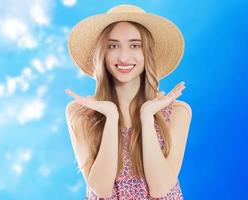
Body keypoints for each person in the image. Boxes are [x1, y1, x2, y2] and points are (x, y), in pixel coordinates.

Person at [65, 4, 192, 200]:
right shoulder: (81, 112)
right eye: (113, 45)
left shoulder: (177, 112)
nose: (124, 57)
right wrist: (111, 116)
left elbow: (160, 188)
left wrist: (147, 117)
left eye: (135, 45)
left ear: (147, 52)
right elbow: (102, 188)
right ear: (103, 54)